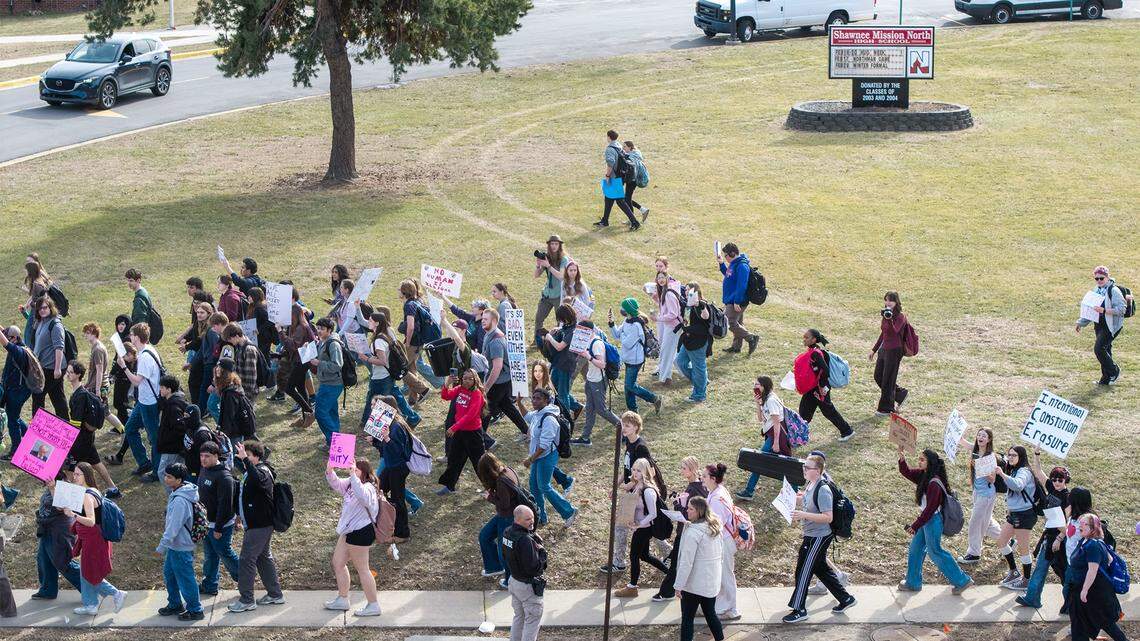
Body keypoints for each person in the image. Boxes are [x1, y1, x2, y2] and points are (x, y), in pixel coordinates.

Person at [782, 454, 856, 623]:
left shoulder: (823, 490)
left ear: (818, 470)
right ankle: (846, 599)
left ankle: (799, 609)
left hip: (818, 537)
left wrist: (802, 515)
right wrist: (789, 497)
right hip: (812, 534)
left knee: (803, 571)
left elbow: (827, 517)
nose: (804, 470)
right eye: (804, 467)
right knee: (821, 568)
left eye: (807, 468)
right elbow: (806, 499)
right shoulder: (811, 483)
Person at [896, 446, 973, 594]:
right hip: (927, 521)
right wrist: (901, 456)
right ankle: (913, 583)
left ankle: (962, 580)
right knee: (915, 549)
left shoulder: (934, 483)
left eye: (922, 459)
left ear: (930, 462)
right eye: (919, 459)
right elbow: (905, 471)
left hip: (932, 521)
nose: (919, 462)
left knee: (935, 552)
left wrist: (915, 525)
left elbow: (930, 510)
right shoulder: (924, 475)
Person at [229, 440, 286, 612]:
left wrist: (245, 460)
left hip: (259, 525)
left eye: (247, 455)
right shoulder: (252, 471)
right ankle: (275, 594)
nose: (243, 457)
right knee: (262, 557)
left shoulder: (263, 472)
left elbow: (258, 480)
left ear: (257, 456)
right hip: (256, 524)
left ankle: (247, 600)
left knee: (246, 560)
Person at [65, 462, 127, 615]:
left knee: (89, 571)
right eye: (74, 474)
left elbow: (91, 521)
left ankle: (116, 593)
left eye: (78, 474)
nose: (74, 477)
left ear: (86, 476)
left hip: (93, 538)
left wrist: (72, 515)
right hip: (93, 537)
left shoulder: (87, 495)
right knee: (86, 570)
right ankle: (91, 604)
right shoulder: (92, 490)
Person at [323, 459, 382, 617]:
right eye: (353, 470)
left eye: (356, 470)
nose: (352, 473)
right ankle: (343, 599)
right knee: (338, 563)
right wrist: (330, 470)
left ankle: (373, 605)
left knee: (363, 569)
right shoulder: (351, 483)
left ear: (363, 472)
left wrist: (353, 476)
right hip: (349, 530)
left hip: (361, 530)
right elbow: (337, 484)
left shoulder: (369, 487)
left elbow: (362, 496)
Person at [1017, 450, 1070, 609]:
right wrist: (1037, 453)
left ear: (1066, 480)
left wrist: (1060, 539)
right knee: (1040, 567)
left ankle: (1071, 604)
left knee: (1065, 573)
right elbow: (1038, 471)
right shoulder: (1051, 488)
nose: (1056, 482)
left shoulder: (1068, 497)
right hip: (1048, 536)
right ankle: (1032, 598)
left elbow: (1067, 523)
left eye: (1060, 480)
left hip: (1061, 540)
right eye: (1054, 479)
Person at [614, 458, 670, 598]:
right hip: (639, 526)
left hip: (645, 527)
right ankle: (671, 574)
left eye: (639, 470)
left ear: (645, 471)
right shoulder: (637, 485)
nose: (635, 472)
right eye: (634, 469)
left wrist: (639, 524)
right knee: (644, 555)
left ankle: (632, 587)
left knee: (634, 556)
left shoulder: (648, 490)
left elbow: (653, 514)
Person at [1066, 513, 1127, 641]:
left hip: (1093, 593)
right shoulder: (1084, 541)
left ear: (1093, 528)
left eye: (1084, 524)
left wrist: (1085, 590)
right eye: (1080, 523)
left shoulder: (1094, 545)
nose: (1080, 526)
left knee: (1106, 623)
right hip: (1079, 590)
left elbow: (1092, 571)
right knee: (1079, 624)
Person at [654, 455, 707, 601]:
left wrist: (677, 505)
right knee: (677, 560)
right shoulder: (700, 486)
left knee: (676, 563)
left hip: (686, 531)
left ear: (693, 470)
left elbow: (688, 513)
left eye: (684, 468)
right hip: (690, 530)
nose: (681, 471)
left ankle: (667, 592)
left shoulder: (693, 489)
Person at [523, 388, 578, 527]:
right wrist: (518, 403)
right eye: (533, 398)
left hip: (546, 456)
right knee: (534, 486)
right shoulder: (537, 413)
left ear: (546, 401)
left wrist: (531, 459)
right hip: (538, 456)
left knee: (544, 486)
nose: (534, 401)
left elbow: (545, 445)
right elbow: (527, 416)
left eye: (538, 398)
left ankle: (569, 512)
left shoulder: (548, 419)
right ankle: (540, 517)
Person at [64, 361, 120, 496]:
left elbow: (76, 422)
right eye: (67, 371)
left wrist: (65, 434)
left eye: (71, 372)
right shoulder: (83, 392)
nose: (67, 374)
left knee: (68, 466)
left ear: (78, 375)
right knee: (96, 462)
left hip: (80, 439)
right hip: (87, 437)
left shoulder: (79, 396)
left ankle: (77, 495)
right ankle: (113, 489)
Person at [156, 463, 204, 621]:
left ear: (179, 479)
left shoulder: (180, 501)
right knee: (169, 574)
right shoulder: (178, 492)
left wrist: (162, 546)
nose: (166, 479)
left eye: (169, 477)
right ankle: (175, 604)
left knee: (185, 578)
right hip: (175, 546)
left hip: (181, 546)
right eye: (166, 475)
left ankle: (195, 609)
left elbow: (173, 528)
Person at [673, 496, 724, 641]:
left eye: (690, 509)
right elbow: (721, 554)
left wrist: (678, 585)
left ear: (699, 511)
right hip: (709, 584)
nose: (687, 511)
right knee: (710, 614)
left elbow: (686, 562)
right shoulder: (715, 527)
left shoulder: (693, 533)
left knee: (688, 619)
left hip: (693, 585)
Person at [359, 312, 420, 427]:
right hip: (387, 375)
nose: (368, 322)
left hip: (381, 377)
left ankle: (377, 427)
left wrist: (366, 358)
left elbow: (382, 361)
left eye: (370, 320)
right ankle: (413, 418)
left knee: (380, 401)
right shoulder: (384, 334)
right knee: (397, 397)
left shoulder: (378, 341)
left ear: (377, 323)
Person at [119, 323, 162, 480]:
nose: (130, 337)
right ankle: (144, 462)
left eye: (131, 335)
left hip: (149, 402)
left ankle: (156, 472)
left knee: (154, 437)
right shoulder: (149, 350)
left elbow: (137, 381)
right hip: (143, 401)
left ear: (137, 337)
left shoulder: (144, 356)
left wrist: (124, 367)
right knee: (130, 428)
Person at [736, 375, 789, 501]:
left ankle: (749, 491)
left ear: (764, 386)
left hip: (777, 436)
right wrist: (758, 403)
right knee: (785, 465)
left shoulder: (771, 400)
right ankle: (749, 491)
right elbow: (760, 419)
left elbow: (777, 423)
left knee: (761, 461)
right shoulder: (765, 399)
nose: (755, 387)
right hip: (770, 435)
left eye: (757, 384)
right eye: (754, 384)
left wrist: (776, 443)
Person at [197, 442, 239, 597]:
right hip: (207, 523)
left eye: (207, 456)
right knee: (210, 555)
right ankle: (210, 585)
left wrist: (219, 528)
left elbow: (225, 505)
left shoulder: (224, 477)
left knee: (224, 553)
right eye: (201, 456)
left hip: (220, 525)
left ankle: (244, 578)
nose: (203, 459)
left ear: (216, 456)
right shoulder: (204, 469)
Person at [479, 309, 530, 438]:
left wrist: (486, 387)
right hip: (502, 380)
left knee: (485, 409)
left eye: (486, 319)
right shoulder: (489, 334)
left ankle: (482, 439)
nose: (482, 321)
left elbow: (497, 367)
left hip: (498, 382)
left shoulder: (496, 341)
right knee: (506, 406)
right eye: (482, 319)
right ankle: (528, 431)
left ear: (494, 321)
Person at [31, 471, 82, 599]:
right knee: (44, 559)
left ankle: (91, 587)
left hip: (59, 532)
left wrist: (52, 488)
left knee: (64, 562)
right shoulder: (52, 485)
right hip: (47, 530)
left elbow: (62, 506)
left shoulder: (64, 486)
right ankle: (48, 590)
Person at [1075, 266, 1129, 385]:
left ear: (1107, 277)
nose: (1099, 281)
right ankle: (1105, 379)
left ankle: (1114, 371)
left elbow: (1121, 310)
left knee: (1099, 349)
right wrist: (1080, 323)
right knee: (1106, 349)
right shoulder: (1096, 290)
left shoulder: (1113, 291)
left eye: (1101, 278)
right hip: (1098, 324)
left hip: (1111, 325)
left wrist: (1104, 310)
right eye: (1097, 278)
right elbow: (1090, 308)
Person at [994, 445, 1037, 590]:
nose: (1011, 458)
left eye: (1014, 455)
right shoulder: (1014, 470)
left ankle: (1026, 580)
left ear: (1021, 457)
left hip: (1025, 515)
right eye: (1009, 455)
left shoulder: (1024, 471)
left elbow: (1018, 485)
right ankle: (1013, 571)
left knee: (1023, 549)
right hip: (1014, 514)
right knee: (1001, 541)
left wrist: (1002, 474)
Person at [798, 330, 854, 440]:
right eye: (804, 337)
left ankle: (847, 431)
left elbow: (826, 371)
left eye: (807, 337)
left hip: (820, 388)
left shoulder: (816, 353)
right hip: (812, 388)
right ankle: (799, 435)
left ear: (814, 339)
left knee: (828, 411)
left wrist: (823, 386)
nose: (804, 339)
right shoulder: (813, 351)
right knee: (804, 411)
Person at [570, 321, 620, 446]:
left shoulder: (597, 344)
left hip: (598, 381)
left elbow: (602, 364)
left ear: (589, 331)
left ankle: (623, 429)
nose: (579, 332)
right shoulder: (587, 341)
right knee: (590, 409)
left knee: (601, 409)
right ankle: (585, 438)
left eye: (581, 330)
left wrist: (588, 356)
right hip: (590, 379)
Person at [437, 369, 487, 495]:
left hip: (473, 433)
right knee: (454, 458)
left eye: (471, 378)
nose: (468, 381)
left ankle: (490, 488)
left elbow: (470, 415)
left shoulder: (476, 394)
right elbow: (445, 396)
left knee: (479, 462)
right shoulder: (459, 389)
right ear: (461, 379)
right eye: (465, 378)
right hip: (460, 431)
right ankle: (449, 486)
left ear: (475, 379)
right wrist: (446, 383)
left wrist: (453, 427)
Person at [957, 427, 1002, 565]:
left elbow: (992, 479)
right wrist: (962, 428)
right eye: (979, 435)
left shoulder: (990, 456)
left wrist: (980, 467)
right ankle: (1007, 541)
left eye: (984, 436)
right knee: (987, 523)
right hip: (978, 492)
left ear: (989, 439)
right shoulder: (975, 450)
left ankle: (974, 553)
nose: (980, 437)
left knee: (975, 523)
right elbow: (961, 441)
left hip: (986, 495)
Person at [608, 299, 662, 414]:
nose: (621, 310)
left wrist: (622, 336)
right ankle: (633, 411)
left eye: (623, 308)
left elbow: (627, 343)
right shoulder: (627, 320)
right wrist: (612, 323)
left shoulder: (636, 325)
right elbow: (616, 335)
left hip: (635, 361)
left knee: (630, 385)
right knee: (628, 387)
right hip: (628, 358)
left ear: (628, 310)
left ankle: (654, 399)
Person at [502, 505, 547, 641]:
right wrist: (542, 554)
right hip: (527, 587)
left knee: (519, 617)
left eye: (532, 517)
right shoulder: (525, 541)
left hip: (514, 582)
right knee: (532, 622)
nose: (532, 521)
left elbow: (505, 555)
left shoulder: (507, 532)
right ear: (518, 520)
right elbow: (534, 568)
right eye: (528, 519)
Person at [478, 452, 524, 581]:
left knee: (504, 550)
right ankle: (494, 567)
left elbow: (504, 504)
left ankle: (510, 580)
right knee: (484, 536)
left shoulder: (501, 482)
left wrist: (489, 497)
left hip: (508, 517)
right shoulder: (508, 470)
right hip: (503, 516)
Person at [704, 463, 740, 620]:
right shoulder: (716, 491)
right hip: (721, 540)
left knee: (726, 575)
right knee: (721, 575)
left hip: (723, 542)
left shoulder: (718, 498)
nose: (702, 478)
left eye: (704, 476)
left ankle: (732, 609)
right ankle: (721, 606)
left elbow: (716, 524)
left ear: (713, 479)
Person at [397, 280, 444, 392]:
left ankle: (423, 389)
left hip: (414, 342)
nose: (397, 291)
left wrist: (407, 342)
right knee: (412, 366)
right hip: (419, 340)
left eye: (399, 290)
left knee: (402, 366)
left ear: (404, 292)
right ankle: (413, 394)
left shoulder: (409, 305)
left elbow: (411, 326)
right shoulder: (416, 302)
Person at [374, 412, 413, 543]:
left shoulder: (396, 427)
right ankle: (386, 522)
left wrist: (387, 439)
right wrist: (375, 442)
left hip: (398, 468)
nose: (373, 409)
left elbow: (398, 451)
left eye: (375, 406)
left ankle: (403, 534)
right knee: (378, 489)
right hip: (391, 466)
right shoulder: (388, 425)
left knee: (398, 499)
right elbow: (385, 451)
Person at [870, 292, 910, 416]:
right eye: (886, 300)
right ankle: (900, 394)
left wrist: (890, 318)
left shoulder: (900, 317)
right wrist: (874, 349)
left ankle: (886, 409)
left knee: (888, 379)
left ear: (896, 302)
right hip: (884, 350)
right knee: (878, 376)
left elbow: (894, 331)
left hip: (894, 350)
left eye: (890, 301)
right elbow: (884, 333)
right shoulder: (885, 314)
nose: (887, 303)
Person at [30, 296, 70, 420]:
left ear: (50, 307)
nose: (42, 310)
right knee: (57, 397)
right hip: (44, 367)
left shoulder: (55, 324)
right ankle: (66, 426)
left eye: (45, 307)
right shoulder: (42, 322)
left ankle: (37, 429)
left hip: (52, 367)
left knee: (38, 396)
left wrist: (57, 369)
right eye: (39, 308)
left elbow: (59, 348)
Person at [716, 243, 759, 355]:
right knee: (738, 322)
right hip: (732, 298)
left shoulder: (742, 266)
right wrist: (722, 264)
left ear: (733, 253)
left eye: (726, 256)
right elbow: (728, 275)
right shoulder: (734, 263)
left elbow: (742, 285)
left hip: (737, 300)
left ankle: (751, 338)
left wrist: (737, 301)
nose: (725, 257)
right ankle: (736, 347)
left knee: (729, 322)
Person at [308, 318, 345, 448]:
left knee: (320, 413)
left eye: (322, 329)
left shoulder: (333, 344)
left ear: (329, 330)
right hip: (327, 382)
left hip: (332, 384)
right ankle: (332, 442)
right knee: (331, 412)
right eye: (317, 328)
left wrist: (319, 363)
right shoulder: (323, 342)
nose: (318, 331)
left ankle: (337, 443)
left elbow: (337, 365)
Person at [542, 304, 582, 420]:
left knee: (563, 394)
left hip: (566, 365)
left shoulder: (573, 331)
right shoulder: (567, 326)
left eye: (561, 318)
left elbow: (560, 346)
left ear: (566, 317)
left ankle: (566, 419)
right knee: (555, 389)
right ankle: (577, 406)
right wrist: (558, 330)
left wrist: (549, 337)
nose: (560, 321)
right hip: (557, 363)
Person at [280, 302, 315, 428]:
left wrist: (280, 333)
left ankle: (310, 412)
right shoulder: (296, 326)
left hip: (302, 361)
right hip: (300, 360)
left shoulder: (301, 328)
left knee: (289, 388)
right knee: (300, 387)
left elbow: (293, 345)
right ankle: (306, 416)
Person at [595, 129, 639, 229]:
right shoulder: (619, 145)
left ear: (609, 137)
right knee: (608, 198)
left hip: (613, 177)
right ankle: (605, 220)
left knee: (620, 201)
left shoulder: (610, 149)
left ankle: (635, 222)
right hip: (621, 176)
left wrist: (607, 176)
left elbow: (610, 163)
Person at [676, 283, 712, 403]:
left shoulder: (701, 304)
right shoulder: (687, 304)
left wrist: (700, 304)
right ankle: (702, 380)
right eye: (685, 290)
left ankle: (699, 395)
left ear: (696, 291)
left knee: (699, 368)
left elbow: (706, 317)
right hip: (687, 340)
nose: (686, 292)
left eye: (689, 290)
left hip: (698, 342)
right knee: (680, 362)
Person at [184, 309, 224, 417]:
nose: (199, 315)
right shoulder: (209, 331)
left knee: (205, 388)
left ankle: (201, 412)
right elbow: (203, 350)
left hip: (211, 364)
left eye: (202, 313)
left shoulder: (211, 332)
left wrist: (213, 363)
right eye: (197, 312)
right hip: (209, 363)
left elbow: (216, 349)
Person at [0, 327, 31, 460]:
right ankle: (31, 436)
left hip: (17, 392)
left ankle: (16, 450)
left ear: (15, 338)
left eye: (9, 337)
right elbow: (8, 333)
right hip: (16, 390)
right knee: (15, 416)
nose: (7, 339)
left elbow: (5, 342)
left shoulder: (18, 351)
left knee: (12, 420)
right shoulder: (20, 344)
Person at [532, 235, 569, 347]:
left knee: (560, 321)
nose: (553, 246)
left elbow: (561, 276)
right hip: (547, 294)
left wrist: (548, 266)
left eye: (556, 244)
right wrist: (538, 265)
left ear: (560, 245)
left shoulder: (564, 259)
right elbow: (536, 275)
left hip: (559, 295)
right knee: (539, 318)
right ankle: (537, 340)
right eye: (551, 244)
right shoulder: (547, 257)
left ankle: (559, 342)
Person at [650, 265, 682, 385]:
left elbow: (673, 314)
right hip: (671, 326)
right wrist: (655, 299)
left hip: (673, 327)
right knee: (670, 353)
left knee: (666, 352)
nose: (661, 279)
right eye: (659, 278)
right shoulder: (664, 292)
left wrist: (658, 318)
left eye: (663, 277)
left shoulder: (668, 293)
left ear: (667, 278)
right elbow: (665, 307)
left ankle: (665, 379)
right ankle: (669, 376)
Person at [221, 323, 259, 401]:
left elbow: (251, 377)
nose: (229, 342)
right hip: (240, 391)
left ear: (237, 336)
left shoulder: (249, 350)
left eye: (229, 339)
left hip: (247, 395)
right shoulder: (239, 347)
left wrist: (245, 397)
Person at [622, 140, 650, 223]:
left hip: (632, 180)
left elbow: (631, 170)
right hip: (634, 179)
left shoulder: (631, 157)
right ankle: (635, 215)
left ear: (630, 147)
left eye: (625, 147)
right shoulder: (636, 154)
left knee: (625, 199)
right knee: (627, 198)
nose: (623, 148)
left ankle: (639, 213)